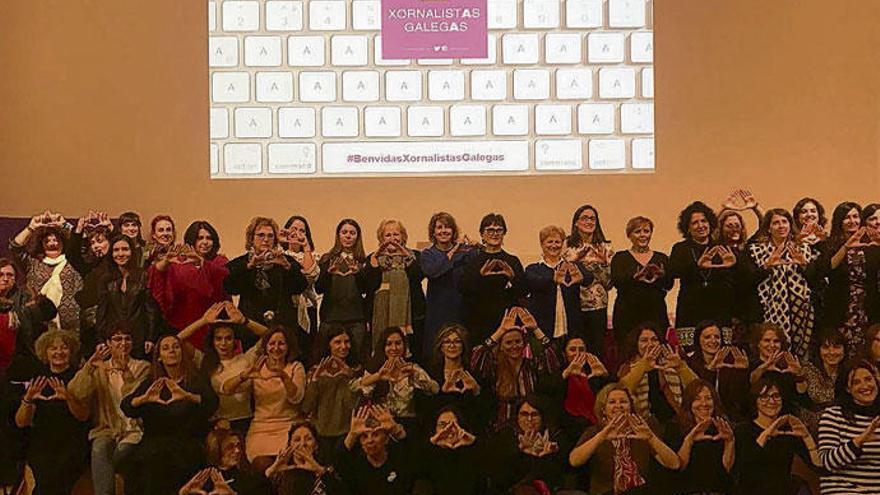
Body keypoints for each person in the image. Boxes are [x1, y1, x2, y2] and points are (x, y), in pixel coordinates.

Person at [121, 334, 219, 495]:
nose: (171, 351)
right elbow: (127, 406)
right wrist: (143, 399)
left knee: (181, 462)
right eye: (165, 348)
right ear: (159, 357)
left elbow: (212, 403)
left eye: (176, 347)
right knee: (143, 467)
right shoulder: (153, 382)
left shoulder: (194, 380)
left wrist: (188, 396)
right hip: (155, 442)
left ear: (182, 352)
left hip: (187, 441)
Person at [68, 323, 150, 495]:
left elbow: (134, 402)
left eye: (127, 339)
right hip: (106, 428)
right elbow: (76, 392)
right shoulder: (99, 369)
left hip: (134, 429)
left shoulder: (143, 367)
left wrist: (126, 373)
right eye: (117, 339)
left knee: (117, 455)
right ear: (108, 343)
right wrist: (89, 367)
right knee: (99, 448)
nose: (123, 343)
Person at [568, 383, 680, 495]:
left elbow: (674, 464)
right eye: (612, 402)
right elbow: (574, 460)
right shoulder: (594, 432)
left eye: (623, 401)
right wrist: (601, 437)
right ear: (603, 410)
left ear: (631, 407)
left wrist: (651, 438)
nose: (618, 406)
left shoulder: (642, 430)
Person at [14, 329, 89, 495]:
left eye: (63, 348)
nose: (59, 352)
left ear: (71, 351)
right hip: (42, 443)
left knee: (55, 479)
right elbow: (21, 422)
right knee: (46, 475)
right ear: (45, 353)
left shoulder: (79, 377)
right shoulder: (37, 379)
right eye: (53, 349)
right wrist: (28, 399)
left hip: (72, 441)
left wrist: (68, 397)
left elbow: (84, 416)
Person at [221, 325, 306, 472]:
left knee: (287, 467)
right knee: (260, 464)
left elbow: (296, 398)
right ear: (265, 346)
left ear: (288, 346)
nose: (276, 348)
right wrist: (244, 376)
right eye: (272, 343)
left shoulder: (295, 367)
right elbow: (226, 389)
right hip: (261, 427)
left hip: (289, 425)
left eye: (281, 343)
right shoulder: (257, 368)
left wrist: (283, 376)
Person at [177, 302, 269, 432]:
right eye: (218, 339)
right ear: (213, 341)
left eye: (228, 338)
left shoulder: (246, 358)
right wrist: (203, 321)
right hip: (216, 424)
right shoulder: (204, 360)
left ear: (235, 340)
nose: (223, 344)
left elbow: (271, 336)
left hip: (245, 421)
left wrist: (244, 321)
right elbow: (176, 341)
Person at [224, 217, 307, 350]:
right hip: (250, 327)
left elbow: (301, 287)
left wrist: (286, 266)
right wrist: (249, 266)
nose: (266, 239)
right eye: (261, 235)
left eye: (270, 236)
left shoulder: (286, 261)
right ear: (251, 238)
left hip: (281, 328)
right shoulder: (240, 263)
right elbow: (230, 287)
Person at [470, 307, 559, 431]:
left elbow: (554, 359)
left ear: (524, 344)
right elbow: (477, 357)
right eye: (508, 342)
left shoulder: (532, 365)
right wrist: (500, 331)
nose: (514, 346)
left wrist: (535, 329)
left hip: (530, 425)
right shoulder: (494, 367)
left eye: (518, 341)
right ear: (501, 346)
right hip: (501, 427)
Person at [78, 235, 164, 359]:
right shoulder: (105, 279)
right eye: (116, 250)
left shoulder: (143, 275)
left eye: (125, 249)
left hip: (139, 337)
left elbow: (151, 310)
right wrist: (100, 340)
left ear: (132, 252)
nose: (120, 254)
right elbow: (102, 311)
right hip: (114, 338)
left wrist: (150, 338)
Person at [747, 208, 817, 360]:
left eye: (784, 222)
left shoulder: (803, 248)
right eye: (776, 223)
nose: (781, 226)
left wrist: (803, 264)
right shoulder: (757, 250)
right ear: (768, 228)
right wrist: (767, 265)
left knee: (800, 357)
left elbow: (816, 280)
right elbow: (748, 281)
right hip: (769, 311)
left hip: (801, 310)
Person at [733, 376, 821, 495]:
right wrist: (766, 434)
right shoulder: (743, 430)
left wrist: (806, 437)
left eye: (776, 396)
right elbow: (744, 468)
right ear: (755, 400)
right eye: (764, 397)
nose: (771, 401)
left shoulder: (788, 431)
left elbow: (818, 466)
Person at [148, 220, 229, 349]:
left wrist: (201, 262)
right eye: (199, 238)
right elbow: (156, 279)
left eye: (208, 238)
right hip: (183, 326)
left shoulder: (220, 261)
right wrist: (165, 263)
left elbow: (224, 280)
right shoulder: (178, 263)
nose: (204, 242)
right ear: (192, 240)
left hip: (213, 327)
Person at [808, 202, 869, 354]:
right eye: (847, 217)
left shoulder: (869, 243)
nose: (852, 220)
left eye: (855, 216)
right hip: (842, 306)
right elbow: (828, 268)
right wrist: (846, 247)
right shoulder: (830, 244)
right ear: (839, 221)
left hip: (866, 306)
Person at [459, 213, 527, 345]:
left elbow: (523, 292)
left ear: (504, 233)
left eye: (499, 230)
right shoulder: (472, 260)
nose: (494, 234)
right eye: (490, 230)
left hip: (505, 320)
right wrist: (480, 276)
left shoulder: (512, 260)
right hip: (478, 320)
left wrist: (512, 278)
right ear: (482, 234)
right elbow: (464, 289)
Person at [354, 327, 438, 431]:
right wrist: (378, 376)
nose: (394, 348)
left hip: (407, 425)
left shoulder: (412, 367)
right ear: (383, 347)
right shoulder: (374, 368)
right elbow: (359, 389)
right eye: (389, 344)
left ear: (404, 346)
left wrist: (414, 375)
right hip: (379, 426)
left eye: (398, 343)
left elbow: (434, 390)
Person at [9, 212, 83, 331]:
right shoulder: (32, 263)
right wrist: (31, 227)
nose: (52, 243)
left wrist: (64, 225)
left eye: (56, 240)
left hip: (72, 328)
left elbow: (83, 243)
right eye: (47, 241)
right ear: (41, 244)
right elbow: (15, 248)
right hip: (38, 326)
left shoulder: (75, 261)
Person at [364, 220, 426, 360]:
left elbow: (418, 276)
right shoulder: (372, 258)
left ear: (403, 237)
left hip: (411, 316)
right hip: (380, 317)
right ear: (381, 238)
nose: (392, 238)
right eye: (388, 235)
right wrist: (375, 261)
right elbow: (370, 284)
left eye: (396, 234)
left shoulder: (415, 255)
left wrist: (405, 255)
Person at [669, 201, 738, 327]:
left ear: (710, 223)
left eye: (704, 221)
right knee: (689, 347)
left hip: (720, 313)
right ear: (688, 228)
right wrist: (697, 266)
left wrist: (732, 266)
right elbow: (673, 272)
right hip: (690, 312)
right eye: (695, 223)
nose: (701, 225)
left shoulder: (722, 248)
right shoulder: (681, 248)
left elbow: (735, 281)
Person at [817, 360, 880, 494]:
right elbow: (827, 463)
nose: (865, 386)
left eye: (868, 379)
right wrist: (858, 441)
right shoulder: (833, 415)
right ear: (847, 388)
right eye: (856, 382)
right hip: (842, 490)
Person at [302, 323, 362, 460]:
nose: (343, 346)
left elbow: (355, 405)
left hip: (347, 432)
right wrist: (315, 380)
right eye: (337, 342)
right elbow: (307, 406)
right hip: (321, 433)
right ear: (329, 344)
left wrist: (350, 377)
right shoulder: (315, 370)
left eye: (347, 342)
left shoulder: (357, 369)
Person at [664, 379, 735, 494]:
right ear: (689, 403)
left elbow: (726, 469)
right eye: (697, 399)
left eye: (708, 398)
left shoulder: (722, 426)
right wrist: (689, 441)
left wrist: (729, 441)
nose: (704, 404)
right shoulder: (675, 427)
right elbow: (677, 468)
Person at [610, 216, 672, 347]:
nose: (642, 235)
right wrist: (634, 277)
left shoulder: (661, 258)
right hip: (627, 315)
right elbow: (616, 282)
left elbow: (669, 284)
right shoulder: (620, 257)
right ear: (629, 235)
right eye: (637, 232)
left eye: (646, 231)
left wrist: (661, 276)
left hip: (655, 313)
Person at [618, 322, 698, 422]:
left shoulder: (671, 362)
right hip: (641, 422)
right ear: (636, 344)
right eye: (644, 340)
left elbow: (697, 388)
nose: (650, 344)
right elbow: (621, 391)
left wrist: (681, 367)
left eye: (654, 340)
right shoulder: (628, 367)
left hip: (675, 420)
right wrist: (642, 367)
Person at [420, 212, 474, 357]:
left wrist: (477, 246)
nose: (443, 231)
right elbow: (434, 272)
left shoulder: (465, 253)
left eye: (447, 227)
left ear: (453, 231)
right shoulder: (427, 254)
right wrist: (453, 252)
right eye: (439, 227)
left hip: (460, 309)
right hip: (437, 311)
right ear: (433, 232)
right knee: (436, 350)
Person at [316, 219, 369, 363]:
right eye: (344, 232)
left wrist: (359, 273)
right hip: (331, 318)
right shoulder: (327, 259)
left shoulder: (363, 261)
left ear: (357, 237)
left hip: (356, 319)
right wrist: (328, 273)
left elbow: (366, 290)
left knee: (356, 360)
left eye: (352, 233)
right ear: (338, 235)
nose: (348, 236)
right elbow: (318, 289)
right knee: (327, 360)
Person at [525, 225, 589, 345]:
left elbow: (588, 278)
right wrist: (553, 278)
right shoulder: (533, 268)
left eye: (557, 242)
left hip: (570, 326)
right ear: (542, 244)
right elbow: (532, 281)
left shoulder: (572, 266)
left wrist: (581, 278)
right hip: (542, 328)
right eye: (549, 242)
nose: (554, 246)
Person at [564, 205, 614, 358]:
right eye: (584, 218)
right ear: (576, 223)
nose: (589, 221)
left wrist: (602, 264)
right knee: (575, 352)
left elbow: (609, 283)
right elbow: (562, 276)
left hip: (597, 307)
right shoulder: (566, 246)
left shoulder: (606, 247)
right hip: (573, 306)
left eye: (592, 218)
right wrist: (577, 261)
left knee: (596, 351)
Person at [489, 397, 567, 493]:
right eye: (524, 414)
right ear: (517, 417)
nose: (529, 419)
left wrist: (548, 456)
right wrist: (521, 450)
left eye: (534, 415)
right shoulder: (506, 436)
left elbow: (558, 476)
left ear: (542, 417)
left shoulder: (555, 437)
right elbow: (501, 476)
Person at [546, 335, 612, 442]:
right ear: (564, 353)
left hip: (596, 427)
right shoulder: (559, 374)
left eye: (581, 349)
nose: (577, 353)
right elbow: (547, 390)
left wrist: (605, 374)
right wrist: (567, 373)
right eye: (572, 349)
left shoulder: (594, 372)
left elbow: (613, 391)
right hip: (568, 429)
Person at [337, 405, 414, 495]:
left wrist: (395, 429)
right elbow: (338, 460)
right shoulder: (356, 464)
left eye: (375, 435)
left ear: (386, 439)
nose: (370, 440)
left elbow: (414, 449)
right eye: (365, 436)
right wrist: (352, 434)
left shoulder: (399, 457)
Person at [684, 320, 750, 421]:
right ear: (698, 340)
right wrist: (710, 370)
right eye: (707, 337)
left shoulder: (730, 362)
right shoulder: (689, 362)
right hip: (696, 417)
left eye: (717, 337)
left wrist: (742, 372)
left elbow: (739, 399)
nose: (713, 340)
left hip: (727, 418)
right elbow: (695, 394)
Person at [426, 324, 486, 430]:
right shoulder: (431, 376)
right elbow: (427, 413)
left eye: (457, 341)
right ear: (441, 347)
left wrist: (476, 390)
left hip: (467, 431)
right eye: (447, 342)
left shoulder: (474, 376)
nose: (452, 345)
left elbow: (482, 414)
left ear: (463, 346)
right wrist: (443, 392)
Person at [263, 421, 345, 494]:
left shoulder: (326, 472)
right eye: (297, 440)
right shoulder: (279, 474)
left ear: (316, 445)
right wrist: (271, 471)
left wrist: (319, 471)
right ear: (289, 446)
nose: (303, 444)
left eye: (308, 439)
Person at [180, 428, 270, 495]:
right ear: (216, 450)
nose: (237, 450)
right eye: (230, 447)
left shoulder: (250, 479)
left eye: (238, 445)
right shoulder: (201, 480)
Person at [421, 406, 483, 494]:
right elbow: (412, 472)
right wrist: (432, 442)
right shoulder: (427, 453)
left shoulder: (471, 453)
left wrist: (473, 442)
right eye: (442, 425)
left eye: (453, 425)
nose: (447, 429)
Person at [280, 215, 320, 346]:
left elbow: (310, 276)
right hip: (285, 306)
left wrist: (306, 247)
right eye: (293, 229)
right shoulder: (279, 254)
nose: (297, 233)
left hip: (307, 306)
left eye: (302, 231)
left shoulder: (311, 256)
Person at [800, 329, 846, 434]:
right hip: (810, 429)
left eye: (837, 347)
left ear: (844, 350)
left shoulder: (849, 371)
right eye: (825, 347)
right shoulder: (808, 369)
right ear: (818, 350)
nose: (831, 352)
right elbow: (819, 396)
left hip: (840, 427)